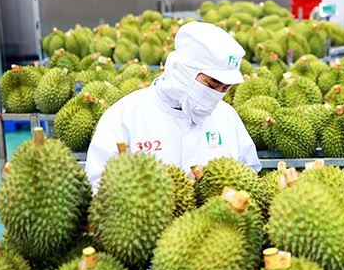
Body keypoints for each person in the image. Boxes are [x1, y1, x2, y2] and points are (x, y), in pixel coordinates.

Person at [85, 22, 260, 191]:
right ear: (183, 71)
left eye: (225, 88)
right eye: (212, 84)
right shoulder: (123, 116)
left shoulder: (227, 116)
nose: (217, 93)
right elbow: (98, 186)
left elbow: (249, 173)